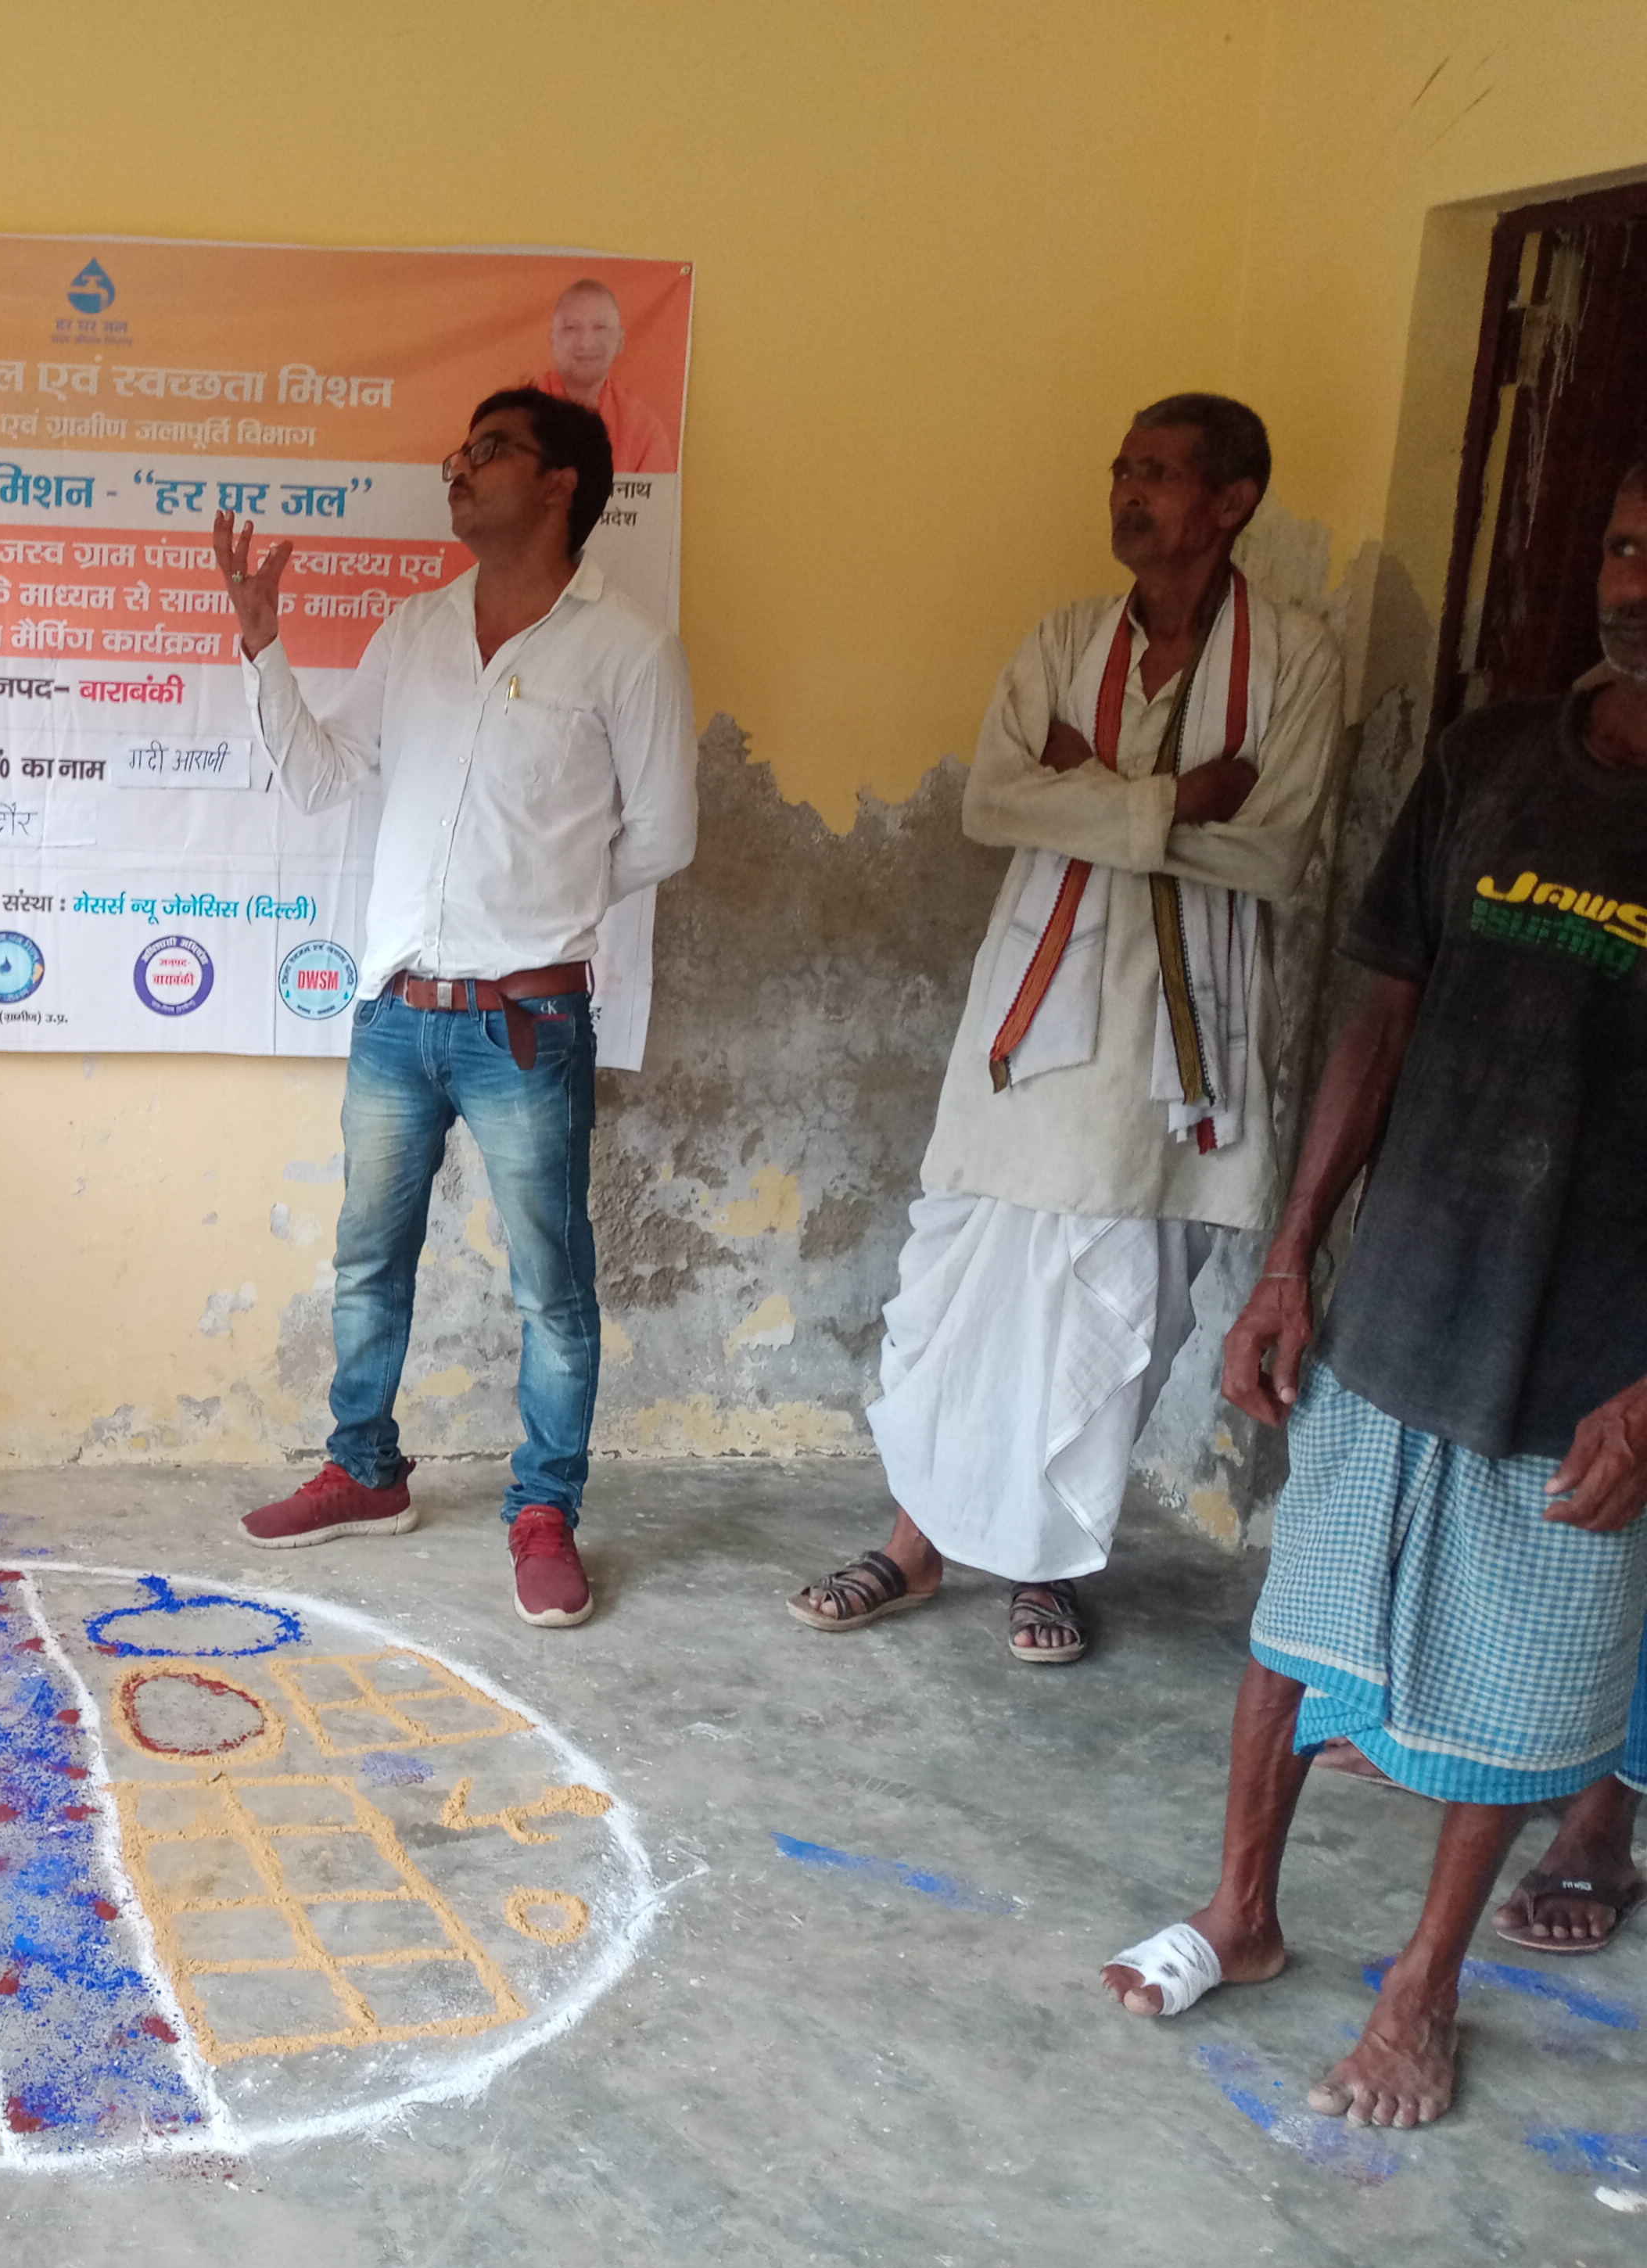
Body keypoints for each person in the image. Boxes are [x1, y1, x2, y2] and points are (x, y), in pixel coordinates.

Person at [1101, 465, 1647, 2127]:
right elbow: (1381, 1011)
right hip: (1408, 1283)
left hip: (1594, 1339)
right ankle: (1241, 1913)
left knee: (1515, 1677)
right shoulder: (1489, 759)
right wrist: (1288, 1258)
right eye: (1624, 545)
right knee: (1297, 1622)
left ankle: (1422, 1986)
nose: (1635, 583)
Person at [791, 397, 1343, 1664]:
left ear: (1233, 501)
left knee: (1114, 1302)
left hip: (1171, 1045)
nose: (1127, 491)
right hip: (1025, 1031)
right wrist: (1174, 801)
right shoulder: (1064, 640)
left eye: (1158, 473)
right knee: (958, 1288)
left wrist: (1080, 785)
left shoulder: (1296, 659)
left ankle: (1048, 1566)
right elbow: (994, 803)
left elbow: (1271, 852)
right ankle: (915, 1541)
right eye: (1121, 469)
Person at [215, 388, 696, 1627]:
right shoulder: (416, 630)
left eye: (490, 450)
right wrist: (264, 647)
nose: (459, 468)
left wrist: (538, 910)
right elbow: (322, 779)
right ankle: (363, 1471)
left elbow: (664, 835)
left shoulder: (627, 648)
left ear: (561, 484)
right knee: (369, 1260)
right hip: (395, 1015)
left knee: (551, 1288)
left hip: (527, 1027)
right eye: (460, 450)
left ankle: (544, 1512)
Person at [533, 278, 675, 475]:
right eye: (571, 328)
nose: (586, 343)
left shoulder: (643, 429)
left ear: (620, 341)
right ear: (552, 340)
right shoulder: (516, 416)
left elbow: (657, 495)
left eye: (600, 327)